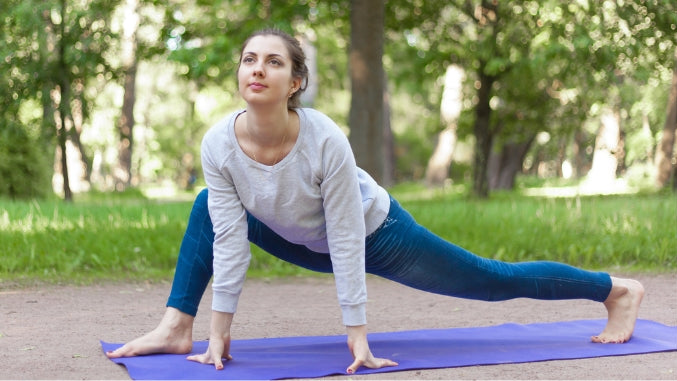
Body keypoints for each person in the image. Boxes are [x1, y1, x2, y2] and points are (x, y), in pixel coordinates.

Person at [106, 28, 644, 374]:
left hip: (376, 234)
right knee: (207, 207)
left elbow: (345, 238)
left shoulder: (325, 140)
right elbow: (228, 239)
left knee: (488, 278)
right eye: (249, 59)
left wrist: (358, 339)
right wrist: (217, 336)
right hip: (296, 235)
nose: (257, 69)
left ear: (295, 82)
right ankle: (177, 329)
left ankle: (614, 290)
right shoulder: (219, 143)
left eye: (273, 62)